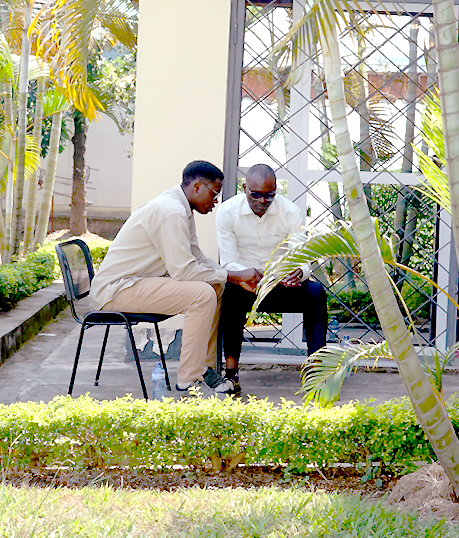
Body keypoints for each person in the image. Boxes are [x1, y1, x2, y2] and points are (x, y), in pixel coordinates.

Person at [90, 160, 252, 397]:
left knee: (215, 286)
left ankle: (203, 367)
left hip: (134, 283)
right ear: (197, 186)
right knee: (202, 293)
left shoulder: (182, 208)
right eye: (214, 193)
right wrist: (234, 275)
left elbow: (197, 257)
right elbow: (184, 271)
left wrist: (229, 277)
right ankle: (190, 376)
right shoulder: (172, 211)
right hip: (116, 290)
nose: (216, 201)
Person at [216, 164, 328, 395]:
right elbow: (228, 262)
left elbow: (301, 254)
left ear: (276, 190)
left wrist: (300, 271)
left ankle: (316, 374)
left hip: (281, 286)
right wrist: (250, 275)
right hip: (247, 285)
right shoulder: (227, 212)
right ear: (244, 188)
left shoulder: (290, 211)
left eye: (269, 195)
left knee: (316, 293)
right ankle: (231, 373)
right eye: (255, 194)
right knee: (229, 292)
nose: (262, 201)